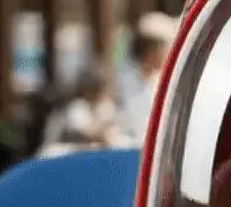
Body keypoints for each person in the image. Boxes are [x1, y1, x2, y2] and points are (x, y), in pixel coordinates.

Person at [117, 12, 176, 143]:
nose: (167, 53)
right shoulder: (123, 81)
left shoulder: (165, 83)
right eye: (164, 48)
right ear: (150, 49)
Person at [40, 63, 122, 153]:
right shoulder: (76, 106)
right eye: (95, 90)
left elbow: (113, 127)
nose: (100, 94)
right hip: (61, 150)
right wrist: (103, 133)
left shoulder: (102, 105)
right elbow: (86, 133)